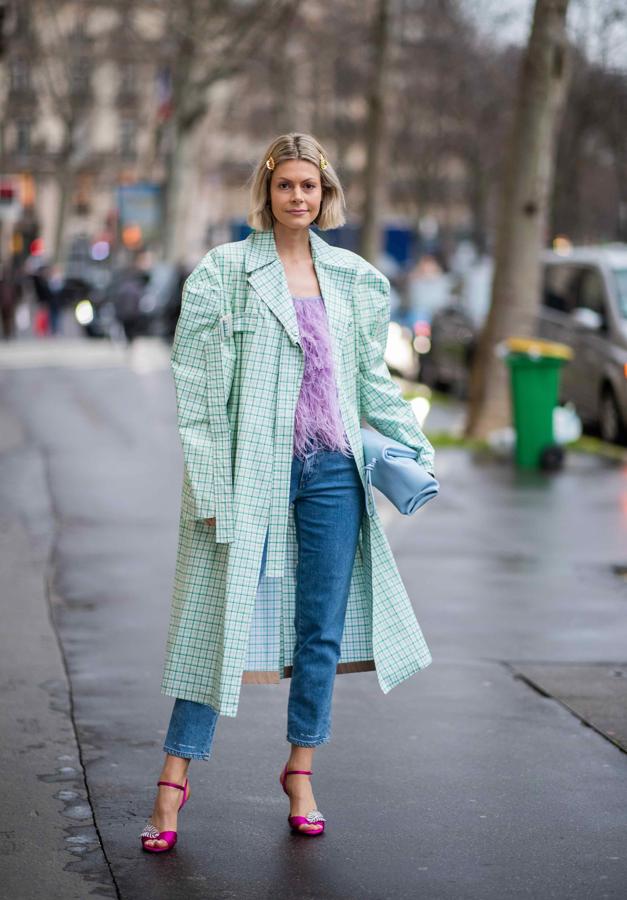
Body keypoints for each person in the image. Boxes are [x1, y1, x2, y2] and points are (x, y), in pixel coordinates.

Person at [140, 132, 436, 851]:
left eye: (309, 185)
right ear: (266, 192)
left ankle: (300, 770)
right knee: (216, 616)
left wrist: (416, 447)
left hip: (332, 469)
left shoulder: (356, 280)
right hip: (249, 469)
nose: (297, 197)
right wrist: (209, 484)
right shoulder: (224, 272)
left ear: (325, 193)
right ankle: (173, 780)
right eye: (285, 185)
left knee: (320, 629)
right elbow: (197, 391)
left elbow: (370, 382)